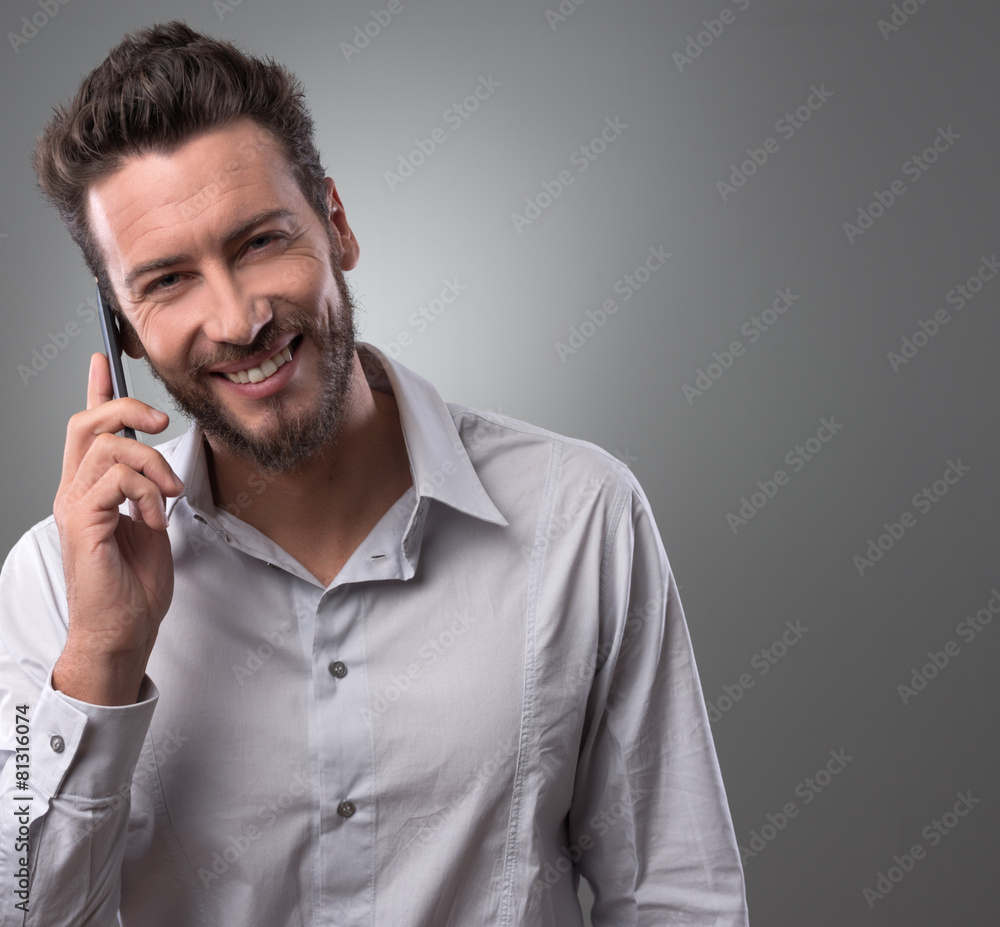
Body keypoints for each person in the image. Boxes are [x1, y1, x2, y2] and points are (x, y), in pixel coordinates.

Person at [0, 20, 749, 927]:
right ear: (122, 331)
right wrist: (102, 663)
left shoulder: (580, 515)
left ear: (337, 225)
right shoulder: (53, 582)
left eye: (260, 242)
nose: (236, 319)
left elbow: (677, 895)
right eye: (167, 281)